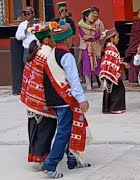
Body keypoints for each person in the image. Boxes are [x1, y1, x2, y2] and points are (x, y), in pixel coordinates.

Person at [42, 23, 90, 179]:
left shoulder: (51, 54)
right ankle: (51, 163)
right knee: (64, 132)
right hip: (65, 100)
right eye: (72, 37)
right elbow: (73, 80)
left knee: (69, 130)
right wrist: (82, 99)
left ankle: (72, 159)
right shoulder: (67, 56)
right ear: (68, 38)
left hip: (54, 99)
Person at [20, 23, 57, 171]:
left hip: (32, 98)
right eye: (52, 37)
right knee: (46, 129)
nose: (55, 39)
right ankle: (42, 157)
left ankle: (36, 156)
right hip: (43, 100)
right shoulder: (48, 54)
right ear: (47, 40)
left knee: (35, 128)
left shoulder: (37, 51)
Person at [100, 28, 129, 114]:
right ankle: (115, 107)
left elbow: (114, 60)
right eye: (117, 37)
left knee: (109, 90)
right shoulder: (111, 48)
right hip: (112, 73)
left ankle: (107, 108)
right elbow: (114, 60)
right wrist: (122, 63)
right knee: (118, 90)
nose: (118, 39)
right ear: (112, 38)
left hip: (109, 72)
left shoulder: (109, 47)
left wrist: (122, 63)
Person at [78, 7, 105, 88]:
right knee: (87, 65)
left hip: (96, 47)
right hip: (86, 48)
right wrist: (93, 36)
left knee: (98, 65)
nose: (93, 17)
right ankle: (88, 84)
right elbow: (84, 36)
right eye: (91, 15)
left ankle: (101, 82)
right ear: (86, 17)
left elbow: (98, 35)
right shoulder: (81, 27)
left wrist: (91, 36)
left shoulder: (95, 25)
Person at [125, 9, 140, 83]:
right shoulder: (135, 24)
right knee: (133, 57)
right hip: (134, 43)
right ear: (138, 16)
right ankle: (134, 78)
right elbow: (133, 36)